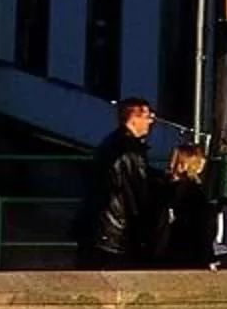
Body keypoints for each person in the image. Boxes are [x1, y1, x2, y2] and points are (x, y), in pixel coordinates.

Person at [80, 98, 156, 268]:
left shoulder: (112, 143)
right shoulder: (130, 152)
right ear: (133, 118)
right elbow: (136, 194)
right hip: (116, 231)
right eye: (147, 116)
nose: (151, 121)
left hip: (101, 226)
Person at [159, 143, 215, 267]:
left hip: (164, 251)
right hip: (190, 253)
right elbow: (202, 229)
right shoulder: (194, 194)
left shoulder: (163, 188)